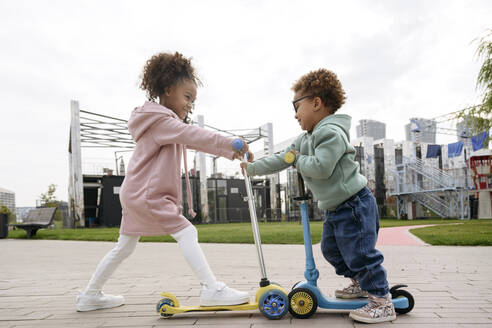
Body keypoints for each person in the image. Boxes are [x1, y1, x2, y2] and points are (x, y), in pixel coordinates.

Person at [76, 52, 253, 312]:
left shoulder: (160, 122)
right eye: (187, 97)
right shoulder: (162, 121)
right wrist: (230, 144)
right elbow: (194, 135)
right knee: (187, 232)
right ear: (168, 90)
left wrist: (230, 151)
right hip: (148, 193)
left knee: (124, 247)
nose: (191, 104)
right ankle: (210, 288)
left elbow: (190, 138)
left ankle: (90, 294)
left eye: (193, 100)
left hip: (136, 191)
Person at [240, 69, 396, 324]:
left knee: (360, 253)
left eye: (296, 105)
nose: (294, 113)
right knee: (331, 250)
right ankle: (359, 282)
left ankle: (381, 300)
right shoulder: (305, 139)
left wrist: (298, 160)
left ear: (316, 102)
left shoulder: (330, 133)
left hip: (354, 204)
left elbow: (322, 167)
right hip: (336, 208)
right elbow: (282, 158)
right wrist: (253, 168)